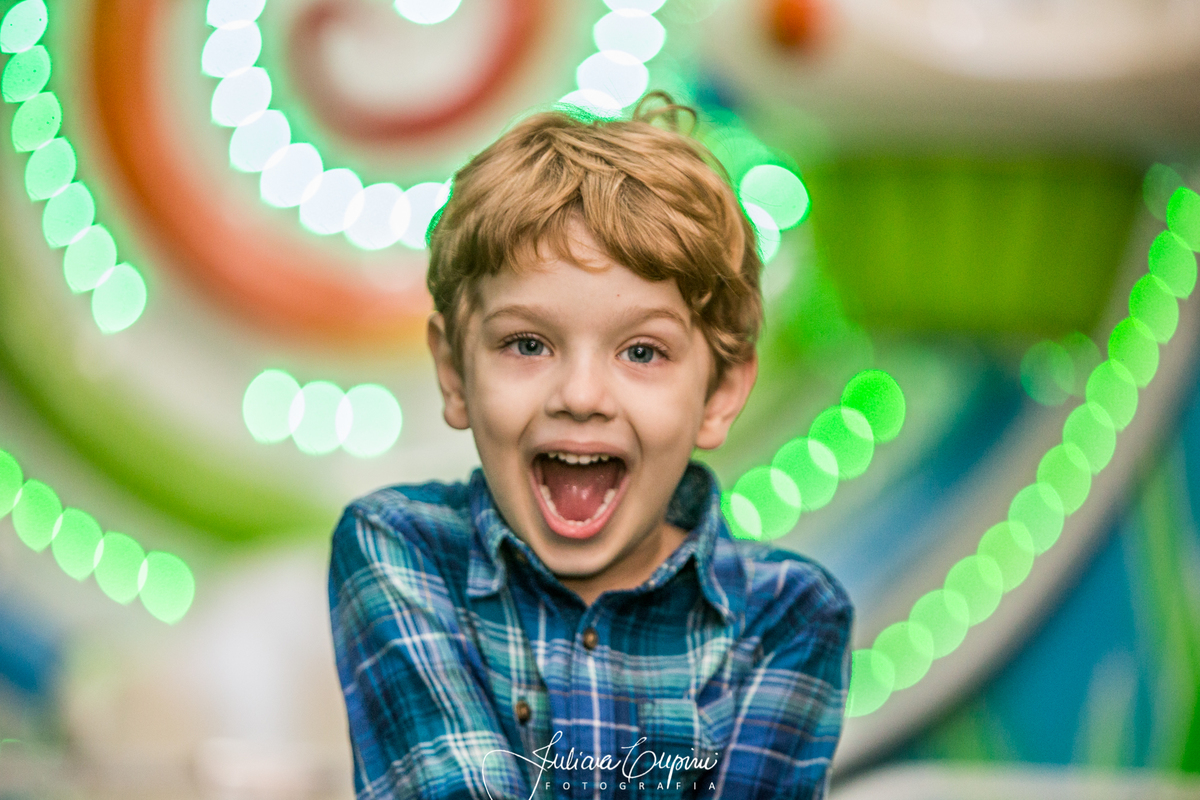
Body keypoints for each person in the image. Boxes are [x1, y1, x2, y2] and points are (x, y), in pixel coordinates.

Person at [328, 94, 852, 800]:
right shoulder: (400, 549)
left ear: (721, 392)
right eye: (527, 344)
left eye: (642, 351)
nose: (580, 395)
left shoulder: (787, 615)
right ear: (454, 371)